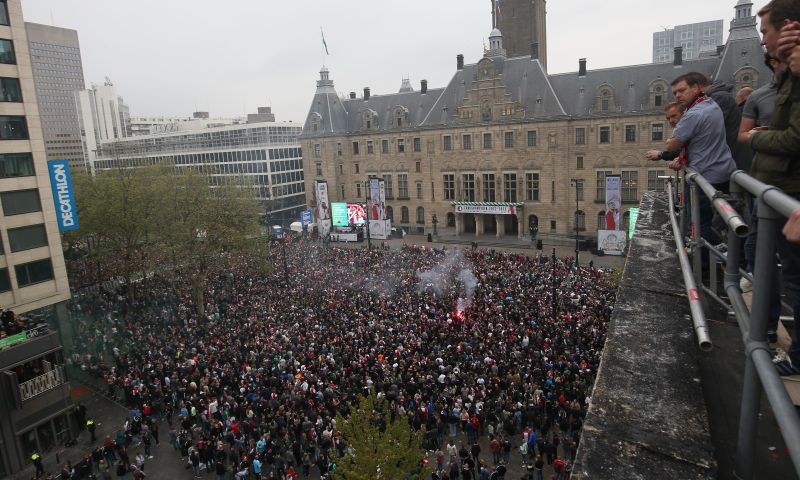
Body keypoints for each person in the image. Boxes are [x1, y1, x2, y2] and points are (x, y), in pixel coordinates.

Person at [744, 0, 800, 375]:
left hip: (787, 192)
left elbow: (793, 138)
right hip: (778, 192)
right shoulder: (787, 77)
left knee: (794, 277)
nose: (763, 41)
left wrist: (755, 138)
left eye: (765, 31)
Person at [667, 71, 737, 250]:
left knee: (699, 222)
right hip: (724, 170)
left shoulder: (694, 114)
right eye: (675, 93)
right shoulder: (711, 104)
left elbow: (672, 145)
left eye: (682, 90)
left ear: (696, 88)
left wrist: (671, 143)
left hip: (704, 174)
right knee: (721, 218)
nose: (678, 95)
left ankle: (702, 265)